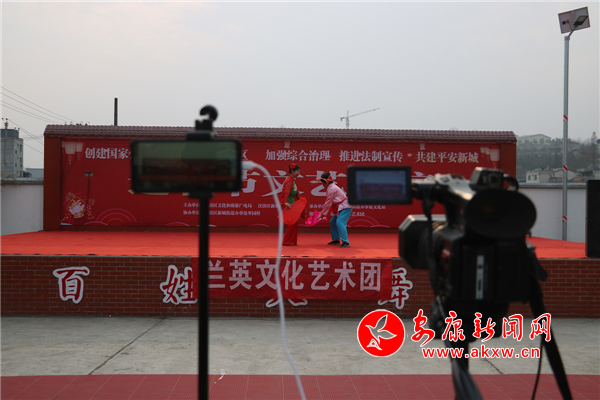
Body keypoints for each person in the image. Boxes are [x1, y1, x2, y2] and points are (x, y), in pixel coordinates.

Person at [317, 172, 353, 247]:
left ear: (326, 182)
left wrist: (322, 214)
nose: (322, 184)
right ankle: (336, 239)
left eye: (322, 182)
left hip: (345, 207)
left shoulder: (332, 189)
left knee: (340, 222)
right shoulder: (331, 187)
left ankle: (345, 242)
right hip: (341, 206)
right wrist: (323, 213)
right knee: (333, 222)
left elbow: (328, 202)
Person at [279, 162, 307, 246]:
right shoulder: (289, 181)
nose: (298, 173)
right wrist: (286, 202)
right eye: (297, 171)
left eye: (299, 171)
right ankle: (287, 241)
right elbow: (286, 192)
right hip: (289, 204)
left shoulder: (292, 181)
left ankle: (292, 241)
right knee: (292, 223)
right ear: (292, 171)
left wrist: (301, 202)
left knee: (294, 223)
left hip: (292, 204)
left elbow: (297, 194)